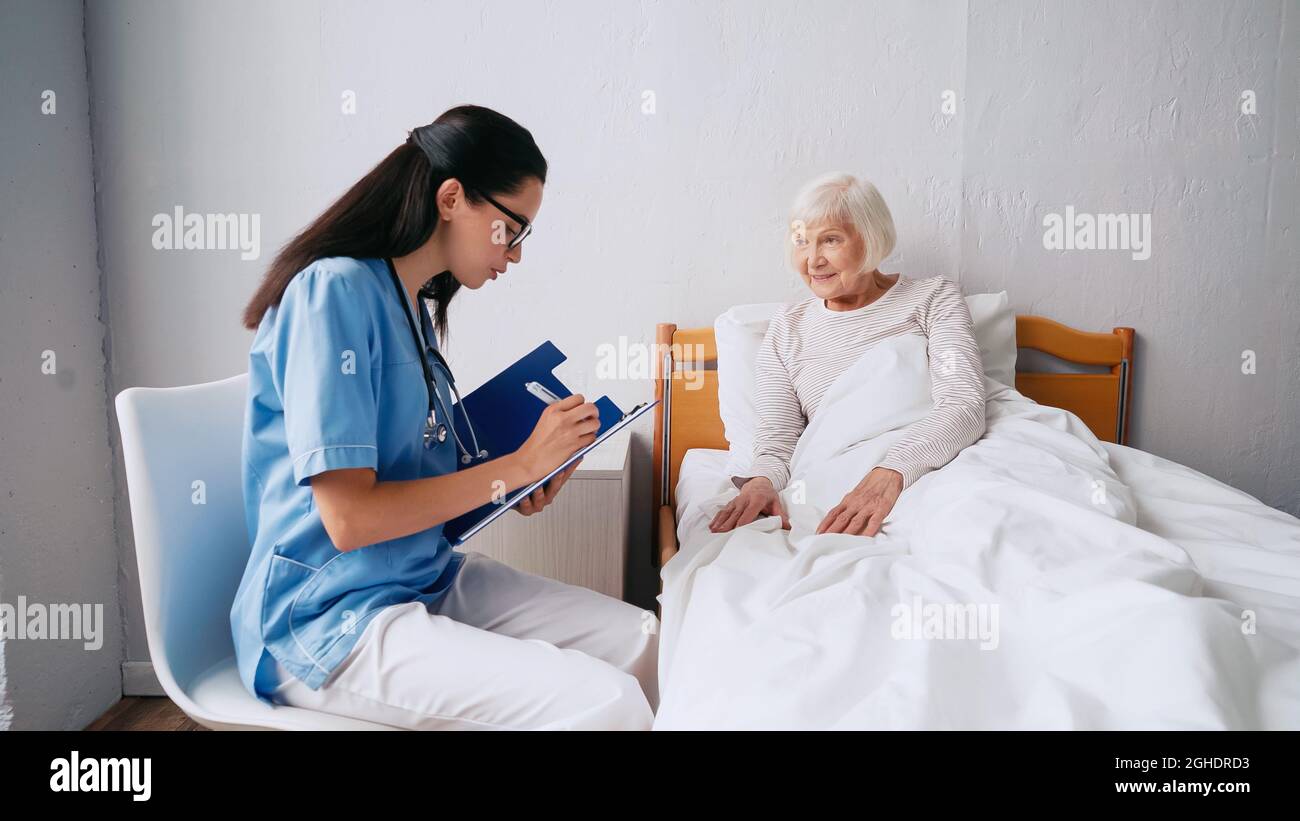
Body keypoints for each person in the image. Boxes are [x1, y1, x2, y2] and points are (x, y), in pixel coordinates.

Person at [230, 105, 658, 730]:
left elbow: (424, 485)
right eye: (510, 229)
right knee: (605, 702)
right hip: (329, 616)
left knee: (645, 639)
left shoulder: (414, 307)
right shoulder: (334, 293)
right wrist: (515, 466)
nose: (513, 254)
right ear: (452, 197)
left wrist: (516, 483)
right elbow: (349, 520)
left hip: (423, 578)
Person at [711, 172, 987, 537]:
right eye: (801, 241)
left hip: (937, 465)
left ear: (872, 239)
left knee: (978, 526)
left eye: (830, 240)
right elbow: (779, 439)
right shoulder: (787, 327)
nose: (812, 261)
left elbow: (963, 405)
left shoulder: (933, 298)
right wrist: (761, 482)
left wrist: (892, 472)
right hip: (841, 478)